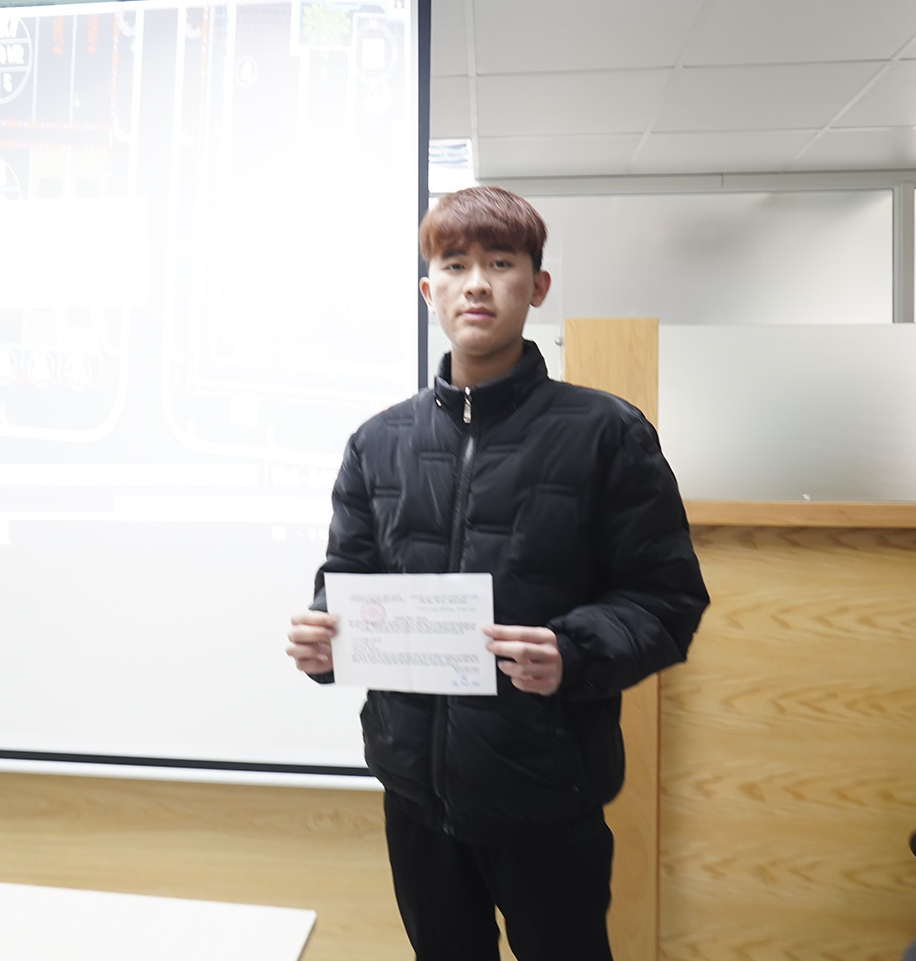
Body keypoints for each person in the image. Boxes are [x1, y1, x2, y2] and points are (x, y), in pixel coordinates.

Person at [286, 185, 709, 961]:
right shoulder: (378, 443)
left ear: (536, 287)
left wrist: (574, 651)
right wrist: (326, 640)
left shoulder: (606, 433)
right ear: (429, 292)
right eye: (454, 265)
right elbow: (348, 576)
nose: (476, 283)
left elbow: (667, 598)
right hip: (416, 793)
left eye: (501, 263)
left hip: (549, 796)